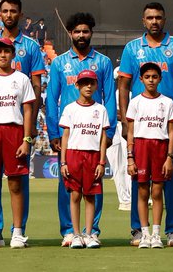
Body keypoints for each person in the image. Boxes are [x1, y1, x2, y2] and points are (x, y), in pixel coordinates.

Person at [118, 2, 173, 247]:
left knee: (170, 177)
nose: (154, 21)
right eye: (150, 18)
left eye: (158, 17)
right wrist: (123, 119)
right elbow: (123, 87)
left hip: (169, 120)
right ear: (143, 21)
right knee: (138, 179)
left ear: (165, 19)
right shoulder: (132, 48)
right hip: (140, 122)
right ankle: (138, 230)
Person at [0, 0, 46, 242]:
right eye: (4, 10)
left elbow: (36, 87)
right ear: (0, 14)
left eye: (13, 11)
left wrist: (32, 126)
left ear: (20, 13)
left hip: (18, 124)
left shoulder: (32, 47)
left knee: (18, 182)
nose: (8, 14)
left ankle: (19, 231)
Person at [46, 12, 116, 247]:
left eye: (85, 31)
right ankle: (69, 230)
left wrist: (109, 132)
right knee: (66, 184)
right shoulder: (59, 63)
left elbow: (110, 101)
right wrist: (54, 133)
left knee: (95, 183)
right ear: (71, 34)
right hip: (69, 136)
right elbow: (51, 98)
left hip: (94, 134)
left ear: (91, 33)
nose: (81, 35)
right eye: (77, 31)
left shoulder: (103, 62)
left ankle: (91, 230)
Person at [125, 62, 173, 249]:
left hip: (160, 148)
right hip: (141, 148)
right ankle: (144, 234)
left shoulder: (168, 102)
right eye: (147, 77)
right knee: (142, 191)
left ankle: (156, 234)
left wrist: (169, 157)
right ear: (141, 79)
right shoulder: (135, 102)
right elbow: (130, 132)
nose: (151, 80)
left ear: (160, 79)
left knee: (157, 192)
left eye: (154, 77)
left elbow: (172, 132)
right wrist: (130, 157)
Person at [59, 70, 111, 249]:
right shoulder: (70, 109)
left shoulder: (100, 109)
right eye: (84, 83)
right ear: (77, 85)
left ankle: (89, 234)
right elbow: (65, 136)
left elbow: (103, 137)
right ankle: (75, 235)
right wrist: (63, 161)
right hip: (74, 155)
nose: (88, 86)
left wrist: (102, 161)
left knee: (90, 197)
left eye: (92, 83)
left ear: (96, 86)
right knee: (75, 195)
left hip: (93, 155)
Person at [106, 70, 131, 212]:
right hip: (113, 130)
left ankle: (132, 196)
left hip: (124, 128)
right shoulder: (110, 93)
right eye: (120, 78)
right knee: (117, 166)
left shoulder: (131, 93)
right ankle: (124, 199)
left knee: (128, 163)